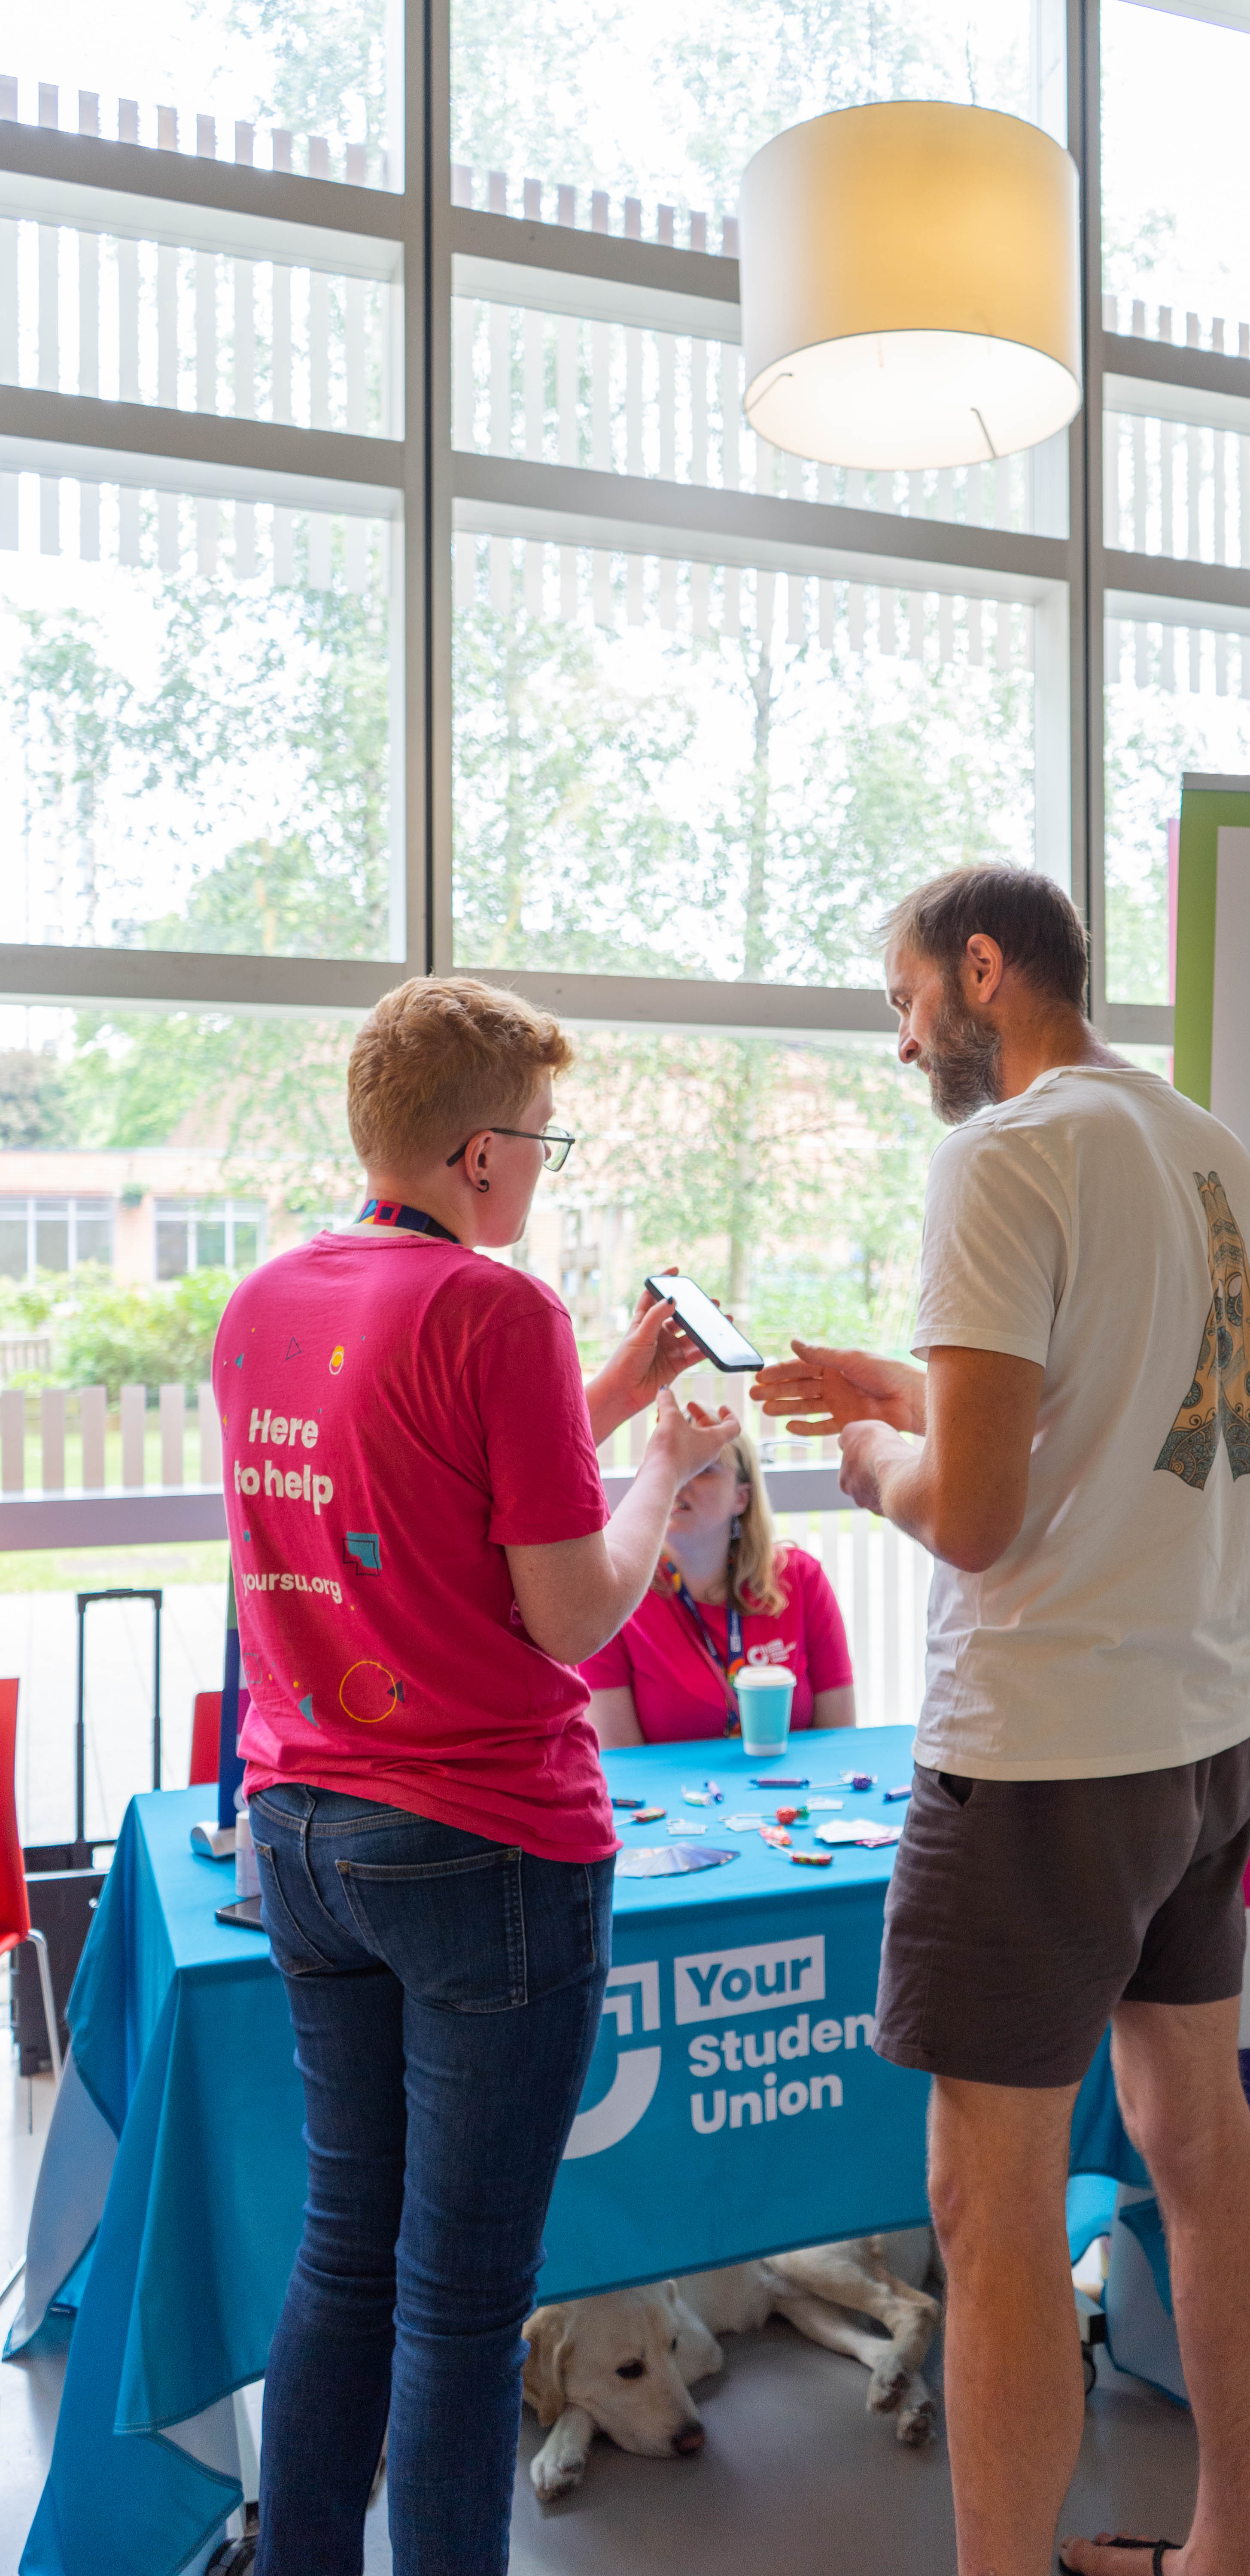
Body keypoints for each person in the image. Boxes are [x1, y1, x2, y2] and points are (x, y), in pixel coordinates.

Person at [753, 865, 1250, 2576]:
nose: (903, 1036)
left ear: (985, 969)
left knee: (988, 2217)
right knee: (1201, 2147)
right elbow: (1108, 1420)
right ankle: (1231, 2552)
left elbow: (973, 1515)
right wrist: (910, 1393)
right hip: (1197, 1737)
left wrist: (867, 1459)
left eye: (906, 996)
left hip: (1043, 1753)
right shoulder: (1214, 1155)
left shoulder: (999, 1155)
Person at [214, 975, 737, 2576]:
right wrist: (660, 1469)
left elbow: (426, 1485)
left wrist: (608, 1403)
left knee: (346, 2253)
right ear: (477, 1154)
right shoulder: (498, 1309)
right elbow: (571, 1609)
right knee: (457, 2303)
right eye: (541, 1139)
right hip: (481, 1847)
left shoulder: (270, 1298)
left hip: (304, 1827)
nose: (546, 1166)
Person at [582, 1422, 855, 1741]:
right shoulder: (615, 1594)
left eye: (702, 1469)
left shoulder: (800, 1579)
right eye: (668, 1467)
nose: (679, 1481)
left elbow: (841, 1740)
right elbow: (622, 1762)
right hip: (675, 1792)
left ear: (742, 1497)